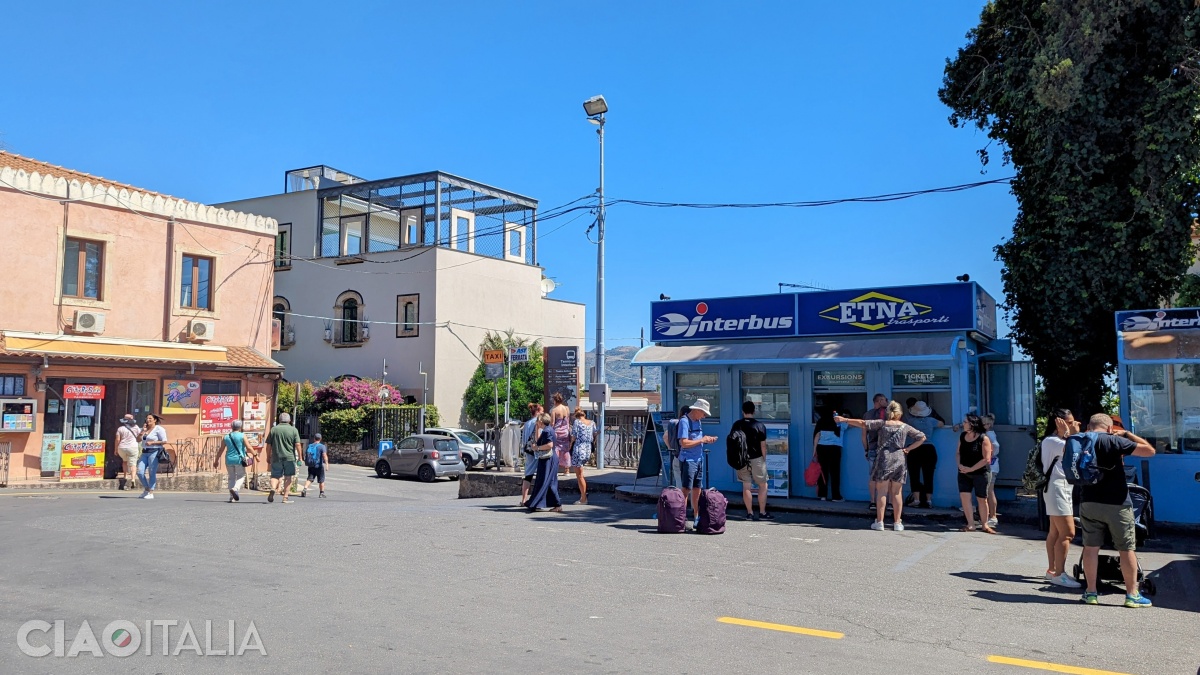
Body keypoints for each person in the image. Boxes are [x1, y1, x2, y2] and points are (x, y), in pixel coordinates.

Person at [1079, 413, 1156, 607]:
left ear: (1089, 426)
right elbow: (1149, 451)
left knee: (1090, 548)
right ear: (1110, 428)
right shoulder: (1114, 441)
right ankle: (1132, 595)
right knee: (1126, 548)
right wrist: (1127, 434)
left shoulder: (1080, 440)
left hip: (1088, 501)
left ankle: (1090, 593)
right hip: (1117, 503)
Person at [838, 402, 926, 531]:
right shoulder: (905, 426)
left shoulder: (882, 424)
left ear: (888, 412)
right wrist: (908, 449)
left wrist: (844, 420)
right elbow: (922, 437)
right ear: (900, 413)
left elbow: (863, 423)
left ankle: (880, 522)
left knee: (882, 492)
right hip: (899, 458)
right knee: (897, 493)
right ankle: (897, 523)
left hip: (883, 458)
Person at [1040, 409, 1082, 588]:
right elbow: (1075, 449)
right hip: (1057, 488)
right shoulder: (1053, 441)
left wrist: (1070, 433)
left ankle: (1052, 570)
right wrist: (1072, 433)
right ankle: (1060, 574)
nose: (1074, 424)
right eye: (1069, 422)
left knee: (1056, 532)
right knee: (1068, 533)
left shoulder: (1059, 440)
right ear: (1059, 422)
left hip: (1061, 487)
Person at [677, 399, 717, 530]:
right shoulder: (684, 421)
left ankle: (696, 518)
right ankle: (681, 518)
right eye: (703, 413)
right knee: (686, 490)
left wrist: (706, 440)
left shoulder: (697, 421)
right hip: (688, 460)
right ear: (697, 410)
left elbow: (697, 440)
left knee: (697, 489)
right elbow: (684, 443)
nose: (704, 416)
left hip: (698, 459)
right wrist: (702, 440)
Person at [956, 414, 995, 533]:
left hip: (980, 472)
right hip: (963, 472)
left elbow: (986, 459)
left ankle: (984, 524)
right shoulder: (963, 436)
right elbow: (958, 452)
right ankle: (970, 524)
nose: (963, 424)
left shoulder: (983, 438)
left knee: (981, 498)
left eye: (965, 422)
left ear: (972, 424)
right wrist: (960, 465)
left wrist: (971, 469)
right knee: (965, 497)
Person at [734, 400, 770, 519]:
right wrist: (764, 459)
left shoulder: (737, 425)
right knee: (763, 485)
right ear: (754, 411)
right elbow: (763, 445)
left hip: (742, 459)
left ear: (742, 411)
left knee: (746, 486)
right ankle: (762, 512)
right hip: (757, 458)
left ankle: (750, 513)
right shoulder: (759, 425)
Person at [904, 401, 942, 508]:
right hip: (929, 449)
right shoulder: (931, 420)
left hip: (914, 448)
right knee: (929, 476)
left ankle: (916, 500)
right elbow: (941, 423)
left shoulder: (910, 421)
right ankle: (929, 501)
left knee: (914, 475)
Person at [524, 413, 562, 512]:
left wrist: (537, 448)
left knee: (547, 481)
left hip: (548, 459)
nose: (536, 423)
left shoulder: (547, 431)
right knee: (545, 481)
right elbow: (539, 440)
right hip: (547, 459)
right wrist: (537, 429)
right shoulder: (548, 430)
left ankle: (555, 504)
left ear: (541, 421)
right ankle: (543, 503)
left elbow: (550, 445)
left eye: (538, 421)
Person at [265, 412, 302, 504]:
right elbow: (297, 444)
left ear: (279, 420)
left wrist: (268, 456)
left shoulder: (274, 430)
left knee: (275, 476)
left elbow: (268, 445)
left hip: (276, 457)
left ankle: (273, 488)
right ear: (289, 420)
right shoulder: (293, 430)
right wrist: (300, 457)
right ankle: (285, 497)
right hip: (289, 457)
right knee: (288, 477)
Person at [861, 393, 889, 511]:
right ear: (879, 401)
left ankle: (872, 501)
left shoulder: (868, 415)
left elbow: (864, 436)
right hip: (887, 449)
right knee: (888, 477)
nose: (886, 401)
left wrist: (866, 449)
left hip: (873, 448)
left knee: (873, 477)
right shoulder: (889, 414)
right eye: (884, 400)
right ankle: (888, 502)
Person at [213, 420, 252, 503]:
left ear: (231, 427)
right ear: (240, 427)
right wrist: (255, 455)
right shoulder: (242, 436)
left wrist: (216, 460)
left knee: (231, 477)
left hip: (229, 460)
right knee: (241, 476)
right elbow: (248, 447)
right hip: (239, 460)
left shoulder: (226, 437)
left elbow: (221, 450)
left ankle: (232, 497)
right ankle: (235, 489)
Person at [812, 408, 845, 502]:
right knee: (835, 473)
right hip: (835, 448)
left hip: (821, 448)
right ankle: (836, 496)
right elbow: (851, 424)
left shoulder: (821, 421)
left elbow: (816, 436)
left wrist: (814, 450)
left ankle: (823, 495)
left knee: (823, 472)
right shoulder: (839, 422)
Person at [568, 408, 595, 505]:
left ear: (576, 416)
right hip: (587, 449)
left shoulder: (577, 422)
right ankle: (583, 494)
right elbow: (595, 433)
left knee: (579, 475)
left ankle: (583, 498)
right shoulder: (592, 422)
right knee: (581, 474)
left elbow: (574, 435)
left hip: (579, 449)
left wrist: (570, 445)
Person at [137, 413, 167, 500]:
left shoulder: (159, 429)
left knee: (151, 472)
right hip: (144, 452)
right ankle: (146, 489)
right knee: (139, 471)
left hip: (154, 451)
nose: (148, 420)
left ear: (155, 420)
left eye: (150, 418)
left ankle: (151, 492)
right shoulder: (144, 429)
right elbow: (138, 440)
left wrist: (152, 442)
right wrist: (142, 431)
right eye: (147, 418)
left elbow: (164, 441)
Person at [520, 403, 543, 506]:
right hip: (538, 450)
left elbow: (524, 439)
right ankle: (537, 498)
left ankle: (524, 499)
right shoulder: (538, 423)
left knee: (528, 475)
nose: (543, 413)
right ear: (537, 412)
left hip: (528, 450)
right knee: (540, 475)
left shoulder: (527, 423)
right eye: (541, 411)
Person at [983, 413, 1001, 529]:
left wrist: (990, 455)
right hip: (991, 465)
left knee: (989, 491)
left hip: (991, 466)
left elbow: (995, 446)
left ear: (988, 424)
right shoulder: (989, 433)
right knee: (987, 491)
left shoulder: (989, 435)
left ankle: (993, 516)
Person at [115, 414, 141, 490]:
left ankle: (125, 475)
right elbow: (140, 437)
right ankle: (133, 479)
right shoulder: (136, 427)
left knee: (125, 461)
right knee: (133, 464)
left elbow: (117, 440)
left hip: (122, 447)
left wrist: (116, 449)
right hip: (133, 447)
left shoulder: (120, 428)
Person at [301, 432, 328, 498]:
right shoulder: (322, 446)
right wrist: (327, 464)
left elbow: (305, 454)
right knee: (321, 480)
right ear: (320, 439)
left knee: (310, 478)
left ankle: (305, 489)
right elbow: (324, 455)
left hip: (311, 465)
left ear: (314, 439)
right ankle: (321, 493)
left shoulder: (310, 446)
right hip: (319, 466)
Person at [550, 392, 571, 475]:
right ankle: (567, 469)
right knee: (565, 450)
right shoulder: (566, 408)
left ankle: (555, 468)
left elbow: (552, 423)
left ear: (555, 400)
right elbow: (568, 420)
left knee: (556, 450)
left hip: (557, 432)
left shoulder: (554, 410)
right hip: (565, 432)